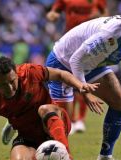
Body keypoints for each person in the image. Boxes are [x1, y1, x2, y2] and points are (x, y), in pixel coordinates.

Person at [45, 8, 121, 160]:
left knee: (120, 101)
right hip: (63, 62)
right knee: (62, 122)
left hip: (90, 65)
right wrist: (85, 92)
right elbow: (76, 59)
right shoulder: (110, 34)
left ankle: (105, 158)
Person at [0, 56, 99, 160]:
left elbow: (60, 74)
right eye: (3, 84)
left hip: (53, 122)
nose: (10, 88)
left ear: (17, 74)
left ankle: (67, 158)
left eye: (12, 81)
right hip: (28, 136)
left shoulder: (29, 72)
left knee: (44, 109)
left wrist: (80, 85)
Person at [46, 0, 108, 134]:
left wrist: (99, 17)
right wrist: (53, 16)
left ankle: (80, 120)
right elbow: (53, 12)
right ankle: (72, 120)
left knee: (83, 83)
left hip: (90, 43)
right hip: (70, 43)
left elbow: (105, 15)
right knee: (70, 84)